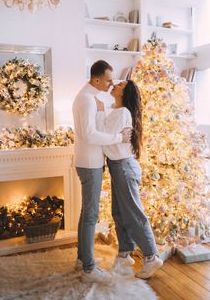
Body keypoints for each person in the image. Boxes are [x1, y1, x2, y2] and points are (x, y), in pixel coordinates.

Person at [95, 80, 163, 279]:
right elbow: (107, 137)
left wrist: (99, 113)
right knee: (118, 212)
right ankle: (125, 254)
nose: (114, 84)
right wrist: (102, 113)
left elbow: (103, 138)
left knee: (133, 214)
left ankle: (151, 257)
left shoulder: (123, 112)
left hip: (124, 167)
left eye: (120, 85)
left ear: (125, 93)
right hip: (118, 167)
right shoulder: (116, 111)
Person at [72, 60, 132, 284]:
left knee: (86, 213)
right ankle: (89, 269)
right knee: (90, 215)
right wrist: (119, 138)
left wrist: (100, 114)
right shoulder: (87, 99)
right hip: (89, 163)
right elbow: (89, 135)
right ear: (96, 79)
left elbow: (93, 129)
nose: (111, 84)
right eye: (108, 80)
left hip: (89, 160)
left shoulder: (90, 98)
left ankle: (82, 259)